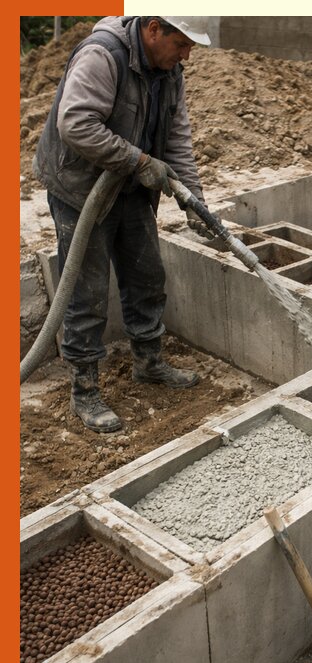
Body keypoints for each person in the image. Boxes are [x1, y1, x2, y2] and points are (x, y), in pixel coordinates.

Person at [33, 16, 212, 433]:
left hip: (131, 188)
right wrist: (139, 162)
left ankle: (148, 362)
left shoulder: (170, 73)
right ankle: (85, 390)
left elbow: (177, 141)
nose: (187, 55)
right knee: (86, 290)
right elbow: (75, 123)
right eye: (182, 44)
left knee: (147, 275)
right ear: (153, 30)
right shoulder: (103, 56)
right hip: (80, 189)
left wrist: (196, 204)